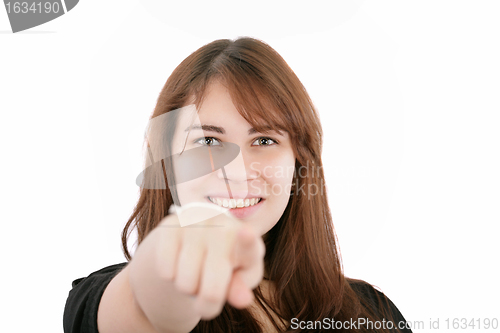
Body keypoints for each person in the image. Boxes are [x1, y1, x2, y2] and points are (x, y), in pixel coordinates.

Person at [63, 37, 412, 333]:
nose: (238, 172)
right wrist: (166, 273)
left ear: (298, 162)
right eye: (209, 142)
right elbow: (146, 305)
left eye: (263, 140)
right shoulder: (103, 297)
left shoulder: (371, 313)